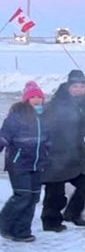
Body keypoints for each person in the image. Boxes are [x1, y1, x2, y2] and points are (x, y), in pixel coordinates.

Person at [41, 70, 85, 231]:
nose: (79, 89)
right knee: (55, 188)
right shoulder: (56, 105)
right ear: (68, 87)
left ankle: (73, 213)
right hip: (56, 152)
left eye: (82, 86)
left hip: (77, 151)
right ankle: (50, 221)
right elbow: (43, 127)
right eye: (75, 86)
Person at [0, 82, 50, 242]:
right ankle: (5, 224)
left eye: (39, 97)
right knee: (23, 195)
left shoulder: (44, 117)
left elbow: (49, 140)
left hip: (38, 163)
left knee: (34, 198)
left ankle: (22, 231)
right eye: (33, 97)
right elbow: (3, 137)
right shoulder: (16, 117)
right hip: (19, 163)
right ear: (26, 99)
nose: (37, 100)